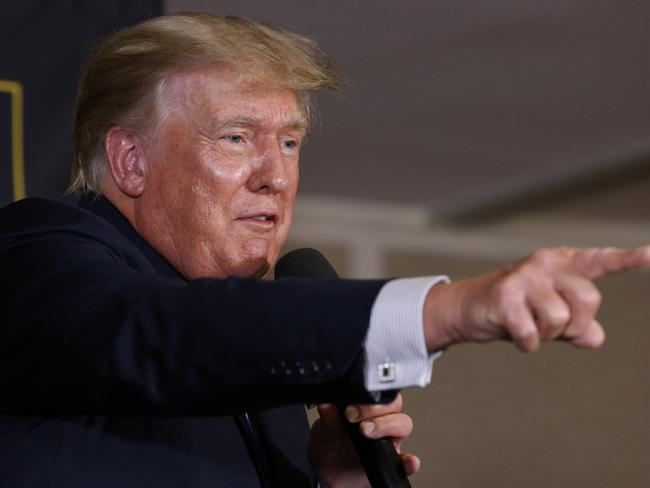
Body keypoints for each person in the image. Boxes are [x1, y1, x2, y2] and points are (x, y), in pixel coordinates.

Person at [0, 12, 648, 488]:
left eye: (288, 142)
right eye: (236, 137)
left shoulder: (273, 386)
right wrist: (448, 310)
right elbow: (155, 332)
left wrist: (334, 483)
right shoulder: (34, 252)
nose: (275, 176)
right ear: (131, 159)